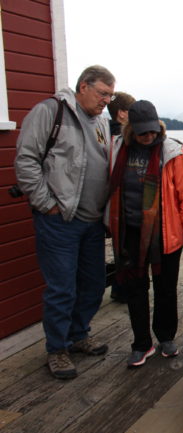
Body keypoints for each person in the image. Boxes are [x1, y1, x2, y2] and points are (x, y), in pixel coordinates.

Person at [14, 65, 116, 379]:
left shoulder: (101, 121)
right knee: (62, 288)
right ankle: (57, 349)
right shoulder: (49, 112)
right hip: (60, 221)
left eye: (110, 96)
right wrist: (46, 204)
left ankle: (78, 335)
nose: (106, 101)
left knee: (94, 284)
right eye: (102, 93)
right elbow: (26, 159)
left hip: (92, 222)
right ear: (83, 86)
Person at [107, 100, 183, 367]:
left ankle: (166, 337)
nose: (148, 137)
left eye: (152, 131)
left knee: (166, 289)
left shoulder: (172, 152)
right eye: (142, 132)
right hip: (130, 233)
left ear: (159, 127)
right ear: (130, 130)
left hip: (165, 233)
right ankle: (141, 344)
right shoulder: (117, 149)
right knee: (135, 289)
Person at [106, 91, 136, 303]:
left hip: (107, 201)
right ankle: (123, 288)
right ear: (123, 114)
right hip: (122, 201)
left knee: (119, 246)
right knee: (126, 248)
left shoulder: (101, 132)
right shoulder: (121, 138)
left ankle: (118, 287)